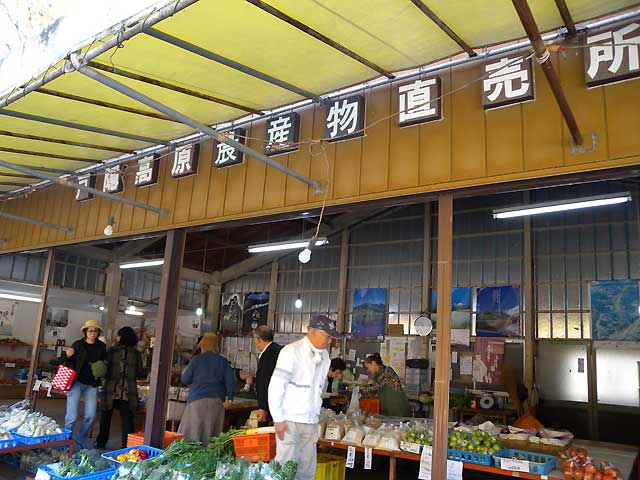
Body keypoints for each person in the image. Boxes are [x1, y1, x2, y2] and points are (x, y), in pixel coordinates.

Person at [269, 315, 341, 480]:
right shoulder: (291, 352)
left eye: (331, 337)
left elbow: (317, 389)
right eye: (327, 336)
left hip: (310, 421)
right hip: (289, 420)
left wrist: (316, 417)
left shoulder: (325, 357)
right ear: (312, 331)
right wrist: (278, 419)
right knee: (285, 468)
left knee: (307, 470)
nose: (329, 341)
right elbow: (276, 387)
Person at [95, 326, 146, 449]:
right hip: (128, 392)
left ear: (121, 337)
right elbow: (140, 374)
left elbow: (104, 371)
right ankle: (127, 447)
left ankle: (101, 443)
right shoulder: (136, 354)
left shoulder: (112, 351)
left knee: (105, 418)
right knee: (127, 421)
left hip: (111, 390)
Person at [178, 333, 234, 444]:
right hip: (216, 402)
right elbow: (230, 382)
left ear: (202, 345)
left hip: (196, 401)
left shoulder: (196, 360)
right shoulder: (223, 361)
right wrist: (230, 398)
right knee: (212, 436)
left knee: (192, 436)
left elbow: (185, 379)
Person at [64, 319, 107, 449]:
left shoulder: (101, 346)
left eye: (96, 331)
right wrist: (68, 356)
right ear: (85, 332)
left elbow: (105, 362)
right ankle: (65, 442)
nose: (93, 333)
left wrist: (102, 369)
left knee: (91, 415)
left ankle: (80, 440)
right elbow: (69, 363)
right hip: (76, 382)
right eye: (90, 331)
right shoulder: (78, 345)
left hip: (92, 385)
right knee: (72, 417)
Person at [363, 353, 410, 417]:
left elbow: (375, 386)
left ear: (373, 363)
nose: (368, 370)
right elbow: (376, 389)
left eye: (368, 367)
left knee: (398, 421)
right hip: (387, 404)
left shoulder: (387, 371)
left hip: (397, 404)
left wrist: (361, 389)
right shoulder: (378, 374)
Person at [253, 325, 282, 426]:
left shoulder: (268, 354)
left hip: (271, 404)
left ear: (258, 339)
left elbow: (265, 382)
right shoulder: (279, 350)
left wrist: (263, 407)